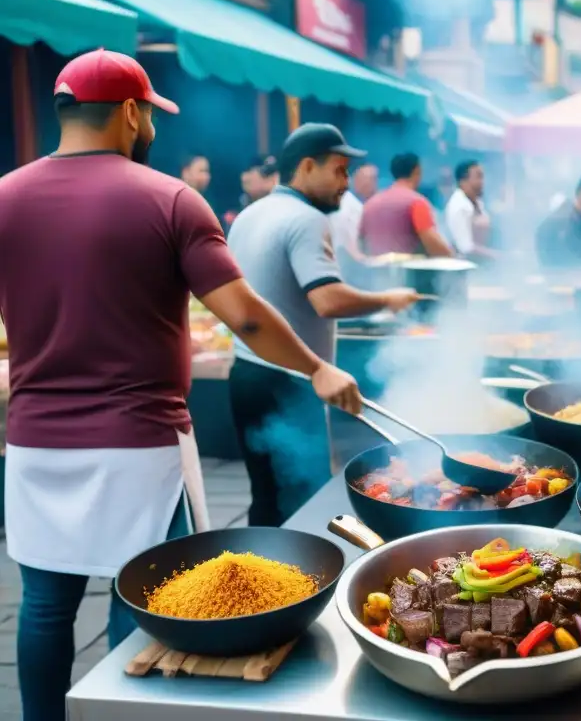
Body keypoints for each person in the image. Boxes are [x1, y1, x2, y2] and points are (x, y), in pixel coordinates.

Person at [0, 50, 359, 721]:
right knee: (144, 602)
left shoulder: (4, 197)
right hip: (139, 445)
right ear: (131, 114)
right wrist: (318, 367)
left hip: (36, 445)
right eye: (151, 117)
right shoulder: (168, 198)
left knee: (46, 609)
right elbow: (246, 315)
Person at [227, 124, 421, 528]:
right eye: (339, 170)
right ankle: (300, 587)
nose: (346, 184)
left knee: (265, 498)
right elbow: (327, 298)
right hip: (289, 383)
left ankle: (257, 583)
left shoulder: (250, 214)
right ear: (308, 166)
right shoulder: (307, 219)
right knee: (305, 501)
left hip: (245, 375)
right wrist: (389, 299)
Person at [359, 152, 452, 257]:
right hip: (408, 272)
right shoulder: (416, 203)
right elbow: (433, 244)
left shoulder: (370, 205)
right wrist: (453, 257)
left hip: (375, 271)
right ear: (417, 171)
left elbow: (361, 243)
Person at [446, 160, 496, 260]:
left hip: (482, 263)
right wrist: (497, 256)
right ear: (463, 182)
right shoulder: (459, 206)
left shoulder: (478, 203)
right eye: (478, 177)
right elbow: (465, 247)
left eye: (482, 177)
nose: (482, 182)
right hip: (463, 267)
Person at [330, 163, 378, 264]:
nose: (368, 184)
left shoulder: (375, 204)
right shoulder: (348, 205)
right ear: (354, 179)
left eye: (373, 179)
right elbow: (353, 246)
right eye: (364, 179)